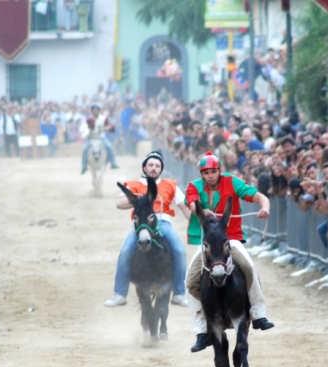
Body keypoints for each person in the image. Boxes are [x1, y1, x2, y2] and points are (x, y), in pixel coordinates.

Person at [184, 152, 275, 353]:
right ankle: (201, 331)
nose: (210, 176)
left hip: (231, 239)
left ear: (219, 171)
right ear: (201, 173)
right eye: (206, 172)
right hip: (207, 243)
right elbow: (191, 202)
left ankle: (258, 314)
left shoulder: (232, 182)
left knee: (249, 267)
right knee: (190, 281)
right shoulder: (194, 186)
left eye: (213, 171)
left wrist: (265, 207)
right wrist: (200, 210)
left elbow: (258, 196)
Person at [104, 151, 189, 307]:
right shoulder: (134, 184)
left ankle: (179, 293)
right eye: (150, 165)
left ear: (161, 169)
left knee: (179, 250)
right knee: (125, 252)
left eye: (157, 166)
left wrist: (201, 220)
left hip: (162, 222)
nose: (154, 168)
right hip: (141, 223)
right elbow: (120, 203)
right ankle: (120, 294)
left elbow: (185, 207)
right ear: (144, 168)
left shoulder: (171, 185)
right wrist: (141, 201)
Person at [80, 104, 118, 174]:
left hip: (101, 137)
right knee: (85, 149)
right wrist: (88, 132)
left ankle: (113, 163)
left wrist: (108, 127)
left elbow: (110, 126)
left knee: (109, 146)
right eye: (94, 110)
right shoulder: (88, 120)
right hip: (91, 137)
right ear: (92, 111)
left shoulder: (103, 118)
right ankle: (84, 166)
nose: (96, 112)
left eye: (97, 110)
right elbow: (83, 129)